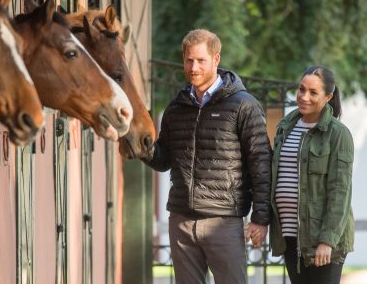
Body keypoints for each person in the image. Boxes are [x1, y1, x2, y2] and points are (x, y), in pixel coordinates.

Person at [143, 29, 271, 284]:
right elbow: (164, 159)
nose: (194, 67)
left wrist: (261, 217)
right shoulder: (176, 108)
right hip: (181, 220)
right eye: (189, 60)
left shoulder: (244, 105)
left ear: (216, 59)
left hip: (223, 220)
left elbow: (261, 162)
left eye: (201, 60)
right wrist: (141, 148)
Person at [269, 66, 355, 284]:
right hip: (290, 236)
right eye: (301, 89)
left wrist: (327, 240)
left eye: (313, 92)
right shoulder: (285, 128)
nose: (304, 97)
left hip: (322, 239)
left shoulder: (338, 134)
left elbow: (340, 192)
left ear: (328, 97)